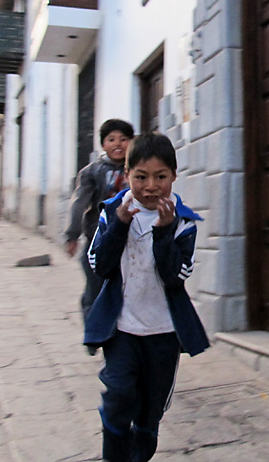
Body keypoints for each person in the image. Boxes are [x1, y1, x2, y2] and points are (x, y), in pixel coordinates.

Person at [84, 132, 210, 462]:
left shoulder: (183, 222)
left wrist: (164, 232)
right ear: (127, 175)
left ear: (173, 176)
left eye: (160, 177)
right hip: (122, 329)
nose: (150, 186)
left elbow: (175, 276)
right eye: (140, 177)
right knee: (119, 397)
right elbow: (100, 264)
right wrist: (121, 225)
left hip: (163, 335)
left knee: (149, 413)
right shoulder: (112, 212)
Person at [64, 118, 134, 324]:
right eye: (111, 139)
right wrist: (72, 235)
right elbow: (79, 203)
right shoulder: (92, 172)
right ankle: (93, 329)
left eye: (123, 139)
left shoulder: (139, 170)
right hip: (99, 240)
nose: (118, 144)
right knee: (96, 289)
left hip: (130, 240)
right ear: (103, 144)